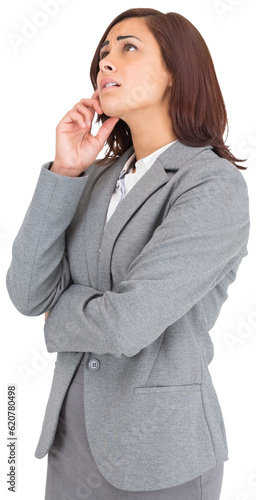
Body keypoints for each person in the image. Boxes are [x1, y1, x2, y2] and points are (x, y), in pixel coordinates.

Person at [6, 7, 250, 500]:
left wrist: (62, 312)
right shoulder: (96, 177)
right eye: (103, 52)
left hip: (160, 453)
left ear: (176, 73)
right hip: (71, 440)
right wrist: (65, 172)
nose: (106, 62)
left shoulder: (211, 184)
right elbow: (28, 292)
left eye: (128, 48)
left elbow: (128, 324)